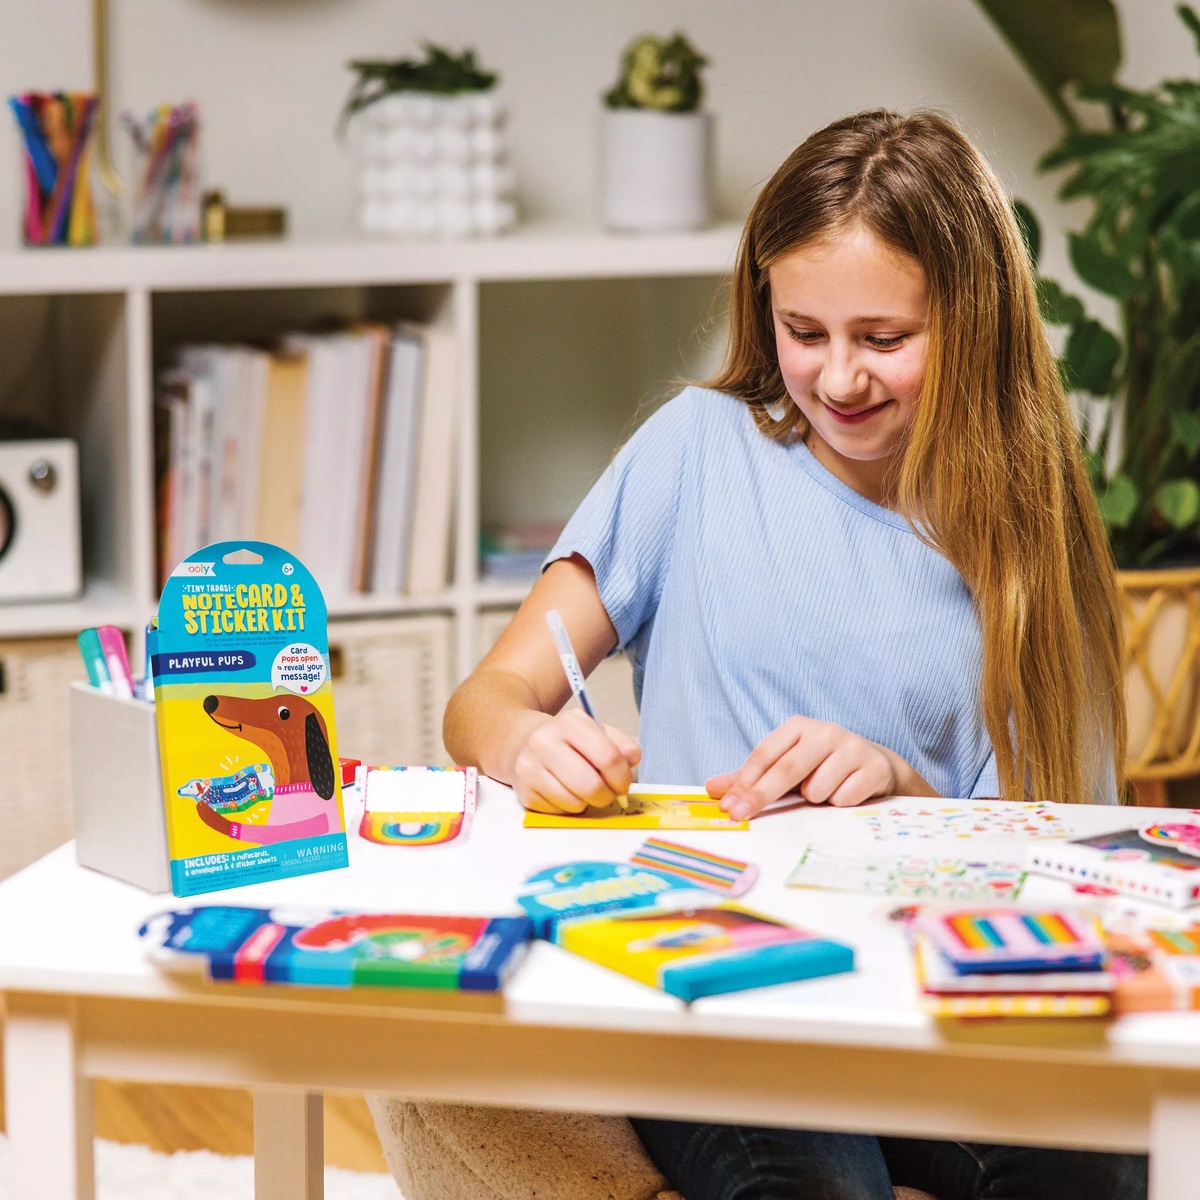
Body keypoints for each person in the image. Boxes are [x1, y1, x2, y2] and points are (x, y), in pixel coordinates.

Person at [444, 109, 1144, 1199]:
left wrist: (905, 800)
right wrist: (531, 741)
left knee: (1092, 1168)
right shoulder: (693, 452)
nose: (839, 378)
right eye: (803, 330)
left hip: (926, 1003)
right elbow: (486, 698)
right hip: (721, 992)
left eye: (884, 338)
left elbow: (1061, 859)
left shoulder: (1027, 533)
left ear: (975, 322)